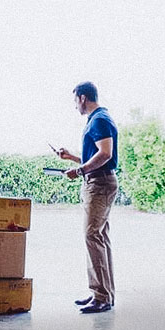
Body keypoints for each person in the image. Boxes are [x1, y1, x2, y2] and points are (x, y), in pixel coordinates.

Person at [57, 81, 118, 314]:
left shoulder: (100, 119)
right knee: (99, 237)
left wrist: (80, 171)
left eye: (75, 100)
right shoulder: (99, 119)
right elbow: (96, 154)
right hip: (98, 181)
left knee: (92, 235)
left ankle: (101, 296)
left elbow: (105, 154)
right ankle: (102, 294)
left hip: (99, 183)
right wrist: (72, 158)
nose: (75, 106)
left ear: (83, 98)